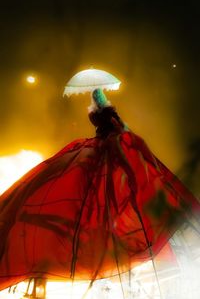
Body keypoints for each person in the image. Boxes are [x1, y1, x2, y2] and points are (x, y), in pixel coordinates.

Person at [0, 89, 200, 298]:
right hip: (109, 178)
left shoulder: (97, 147)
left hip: (105, 176)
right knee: (104, 222)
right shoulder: (117, 142)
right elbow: (132, 157)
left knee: (98, 221)